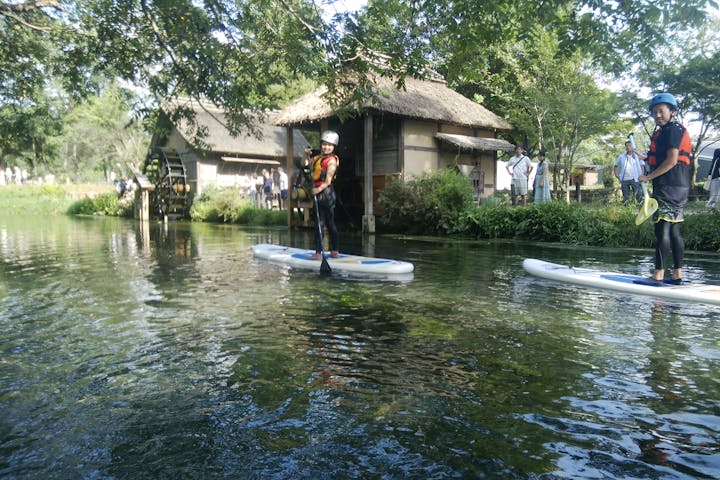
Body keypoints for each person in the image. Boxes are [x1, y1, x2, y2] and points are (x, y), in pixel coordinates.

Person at [634, 93, 692, 286]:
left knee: (662, 230)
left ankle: (658, 274)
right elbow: (659, 157)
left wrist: (648, 177)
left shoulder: (671, 130)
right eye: (654, 112)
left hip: (668, 187)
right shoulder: (669, 130)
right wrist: (643, 157)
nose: (657, 115)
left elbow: (672, 160)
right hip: (680, 186)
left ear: (672, 111)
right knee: (674, 230)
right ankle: (677, 274)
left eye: (661, 111)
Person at [306, 130, 340, 260]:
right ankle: (324, 251)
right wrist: (306, 155)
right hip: (321, 193)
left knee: (327, 222)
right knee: (319, 223)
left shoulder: (331, 161)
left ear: (333, 147)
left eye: (329, 145)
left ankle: (328, 251)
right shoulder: (316, 159)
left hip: (326, 193)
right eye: (324, 144)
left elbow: (328, 181)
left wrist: (317, 190)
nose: (326, 147)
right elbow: (304, 164)